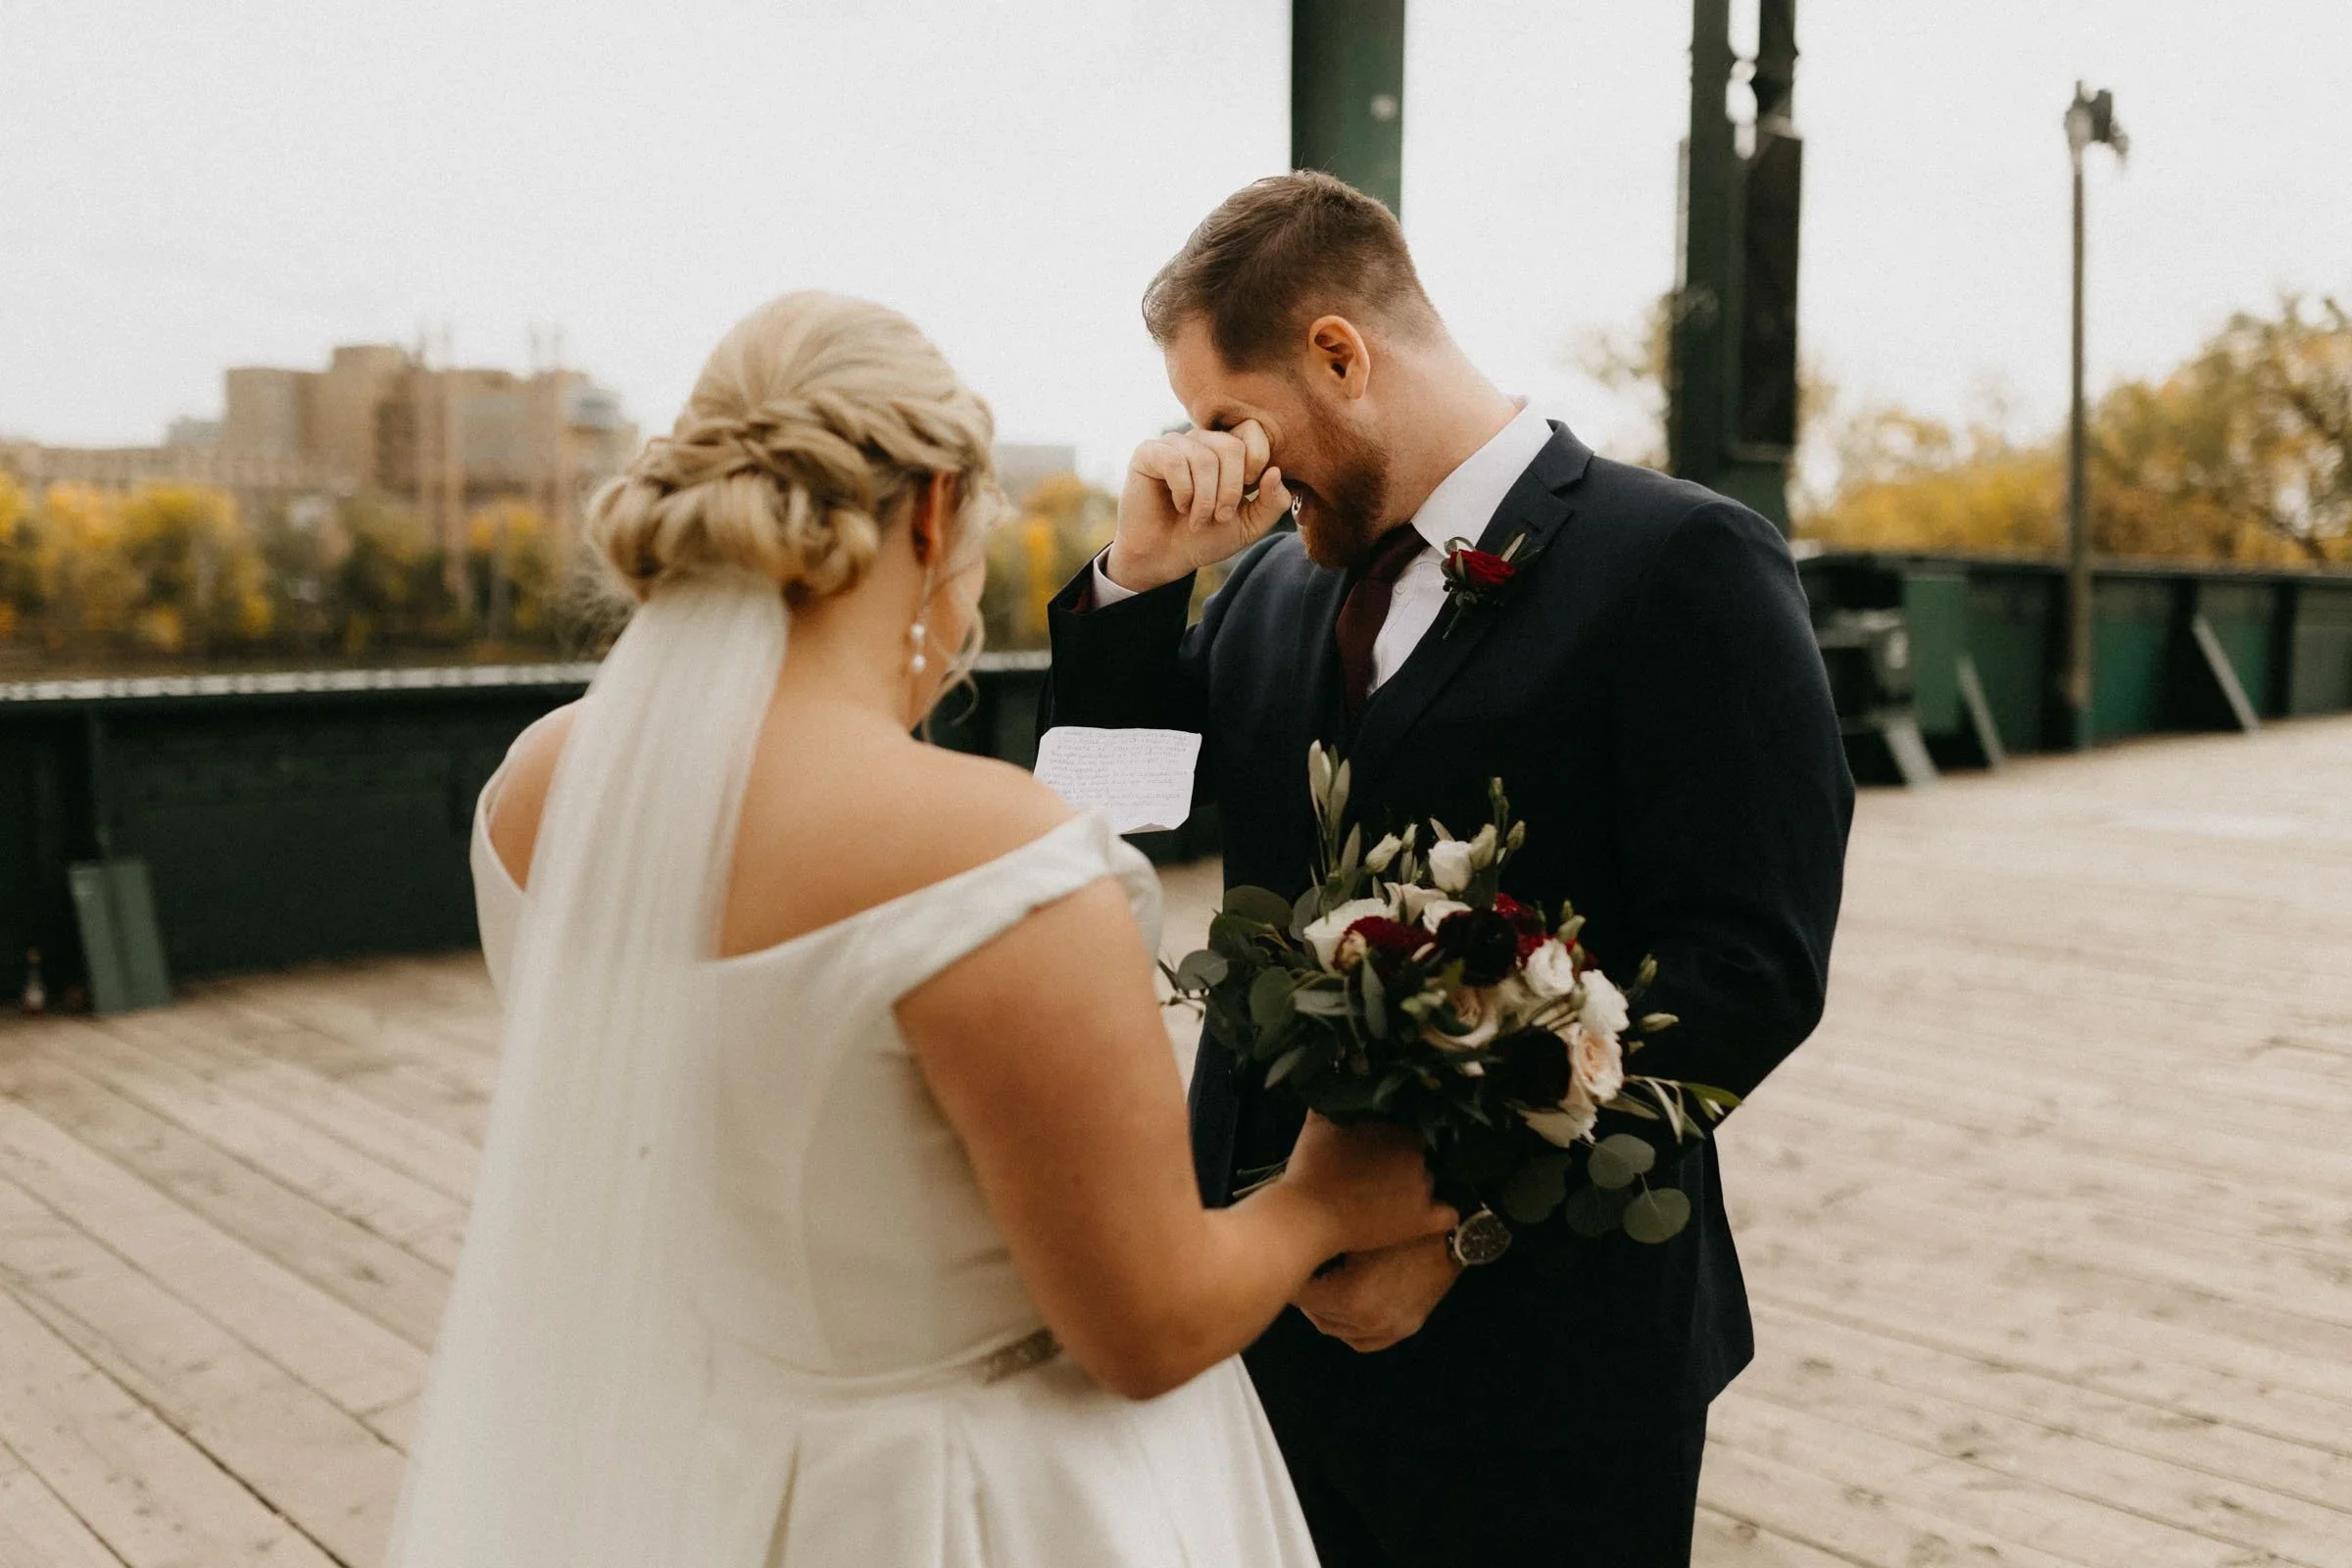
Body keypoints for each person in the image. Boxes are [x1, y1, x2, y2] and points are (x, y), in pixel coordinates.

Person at [383, 290, 1453, 1568]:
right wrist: (1327, 1201)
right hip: (979, 1506)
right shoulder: (996, 858)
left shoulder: (540, 793)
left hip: (706, 1475)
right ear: (934, 508)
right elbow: (1148, 1328)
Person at [1041, 172, 1854, 1565]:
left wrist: (1464, 1221)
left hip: (1552, 1357)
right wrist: (1138, 573)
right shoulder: (1266, 592)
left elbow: (1750, 968)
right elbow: (1103, 821)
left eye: (1230, 420)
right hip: (1260, 1343)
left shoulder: (1682, 564)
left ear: (1340, 354)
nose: (1221, 460)